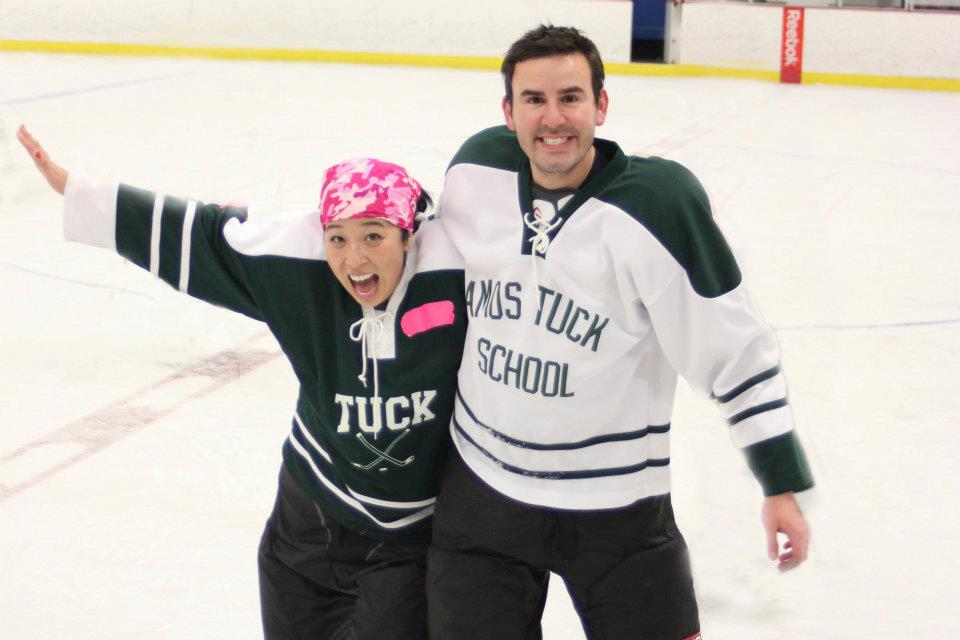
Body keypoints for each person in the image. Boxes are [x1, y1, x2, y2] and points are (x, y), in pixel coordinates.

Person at [427, 25, 814, 640]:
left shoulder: (656, 206)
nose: (553, 118)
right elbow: (420, 275)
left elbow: (733, 349)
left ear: (601, 106)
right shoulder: (475, 173)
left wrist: (780, 481)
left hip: (616, 512)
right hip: (481, 498)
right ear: (508, 112)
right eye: (533, 100)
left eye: (571, 98)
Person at [17, 125, 466, 640]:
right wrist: (78, 190)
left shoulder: (457, 269)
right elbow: (204, 232)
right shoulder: (296, 262)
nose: (354, 258)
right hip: (309, 517)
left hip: (411, 537)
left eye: (374, 236)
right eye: (338, 238)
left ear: (408, 235)